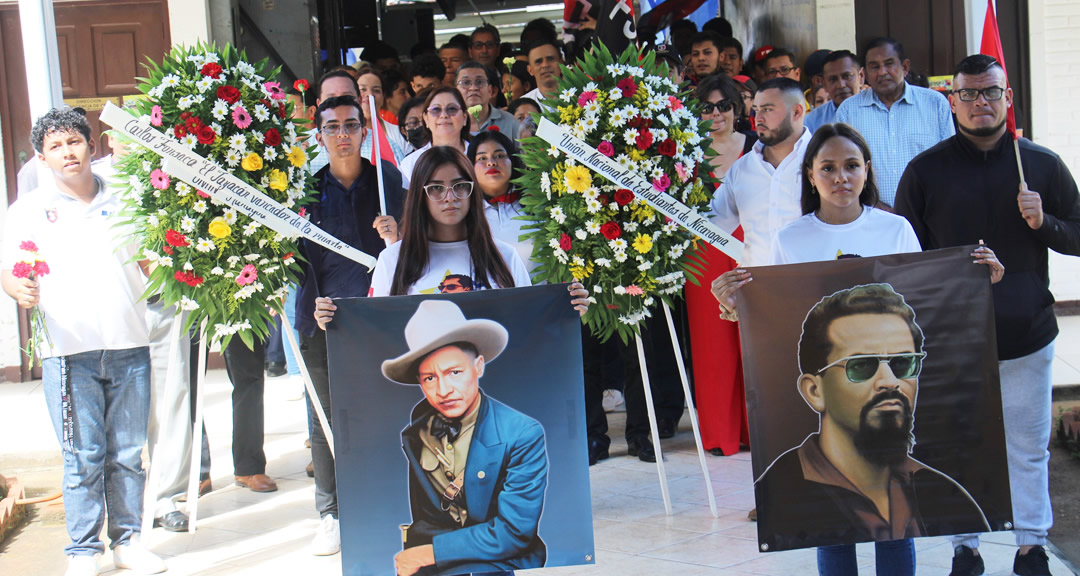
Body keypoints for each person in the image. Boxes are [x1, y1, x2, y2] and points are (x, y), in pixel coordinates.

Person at [714, 123, 1002, 571]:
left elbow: (926, 298)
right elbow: (778, 313)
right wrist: (735, 303)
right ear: (810, 175)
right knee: (831, 528)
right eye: (827, 167)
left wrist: (977, 276)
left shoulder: (896, 229)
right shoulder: (791, 238)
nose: (840, 177)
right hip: (841, 395)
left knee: (897, 528)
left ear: (867, 170)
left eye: (851, 166)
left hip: (880, 418)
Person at [895, 54, 1080, 576]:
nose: (981, 103)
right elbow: (907, 256)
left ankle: (1031, 546)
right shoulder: (926, 169)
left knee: (1027, 448)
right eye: (970, 94)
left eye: (990, 93)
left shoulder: (1040, 164)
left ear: (1008, 97)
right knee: (958, 446)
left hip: (1028, 333)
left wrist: (1045, 223)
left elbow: (1079, 234)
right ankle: (964, 548)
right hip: (951, 336)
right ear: (952, 100)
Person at [1, 108, 165, 576]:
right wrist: (19, 289)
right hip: (67, 351)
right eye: (55, 146)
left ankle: (128, 542)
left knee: (128, 452)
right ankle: (83, 550)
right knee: (82, 456)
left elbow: (151, 262)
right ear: (41, 157)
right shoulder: (28, 210)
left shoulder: (130, 198)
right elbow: (10, 271)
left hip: (129, 343)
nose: (67, 152)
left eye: (74, 141)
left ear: (92, 146)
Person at [298, 95, 405, 556]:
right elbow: (297, 262)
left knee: (389, 414)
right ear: (319, 135)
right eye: (332, 126)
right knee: (326, 421)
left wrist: (395, 238)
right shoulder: (305, 190)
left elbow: (414, 253)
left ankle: (389, 503)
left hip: (379, 320)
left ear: (365, 131)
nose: (342, 134)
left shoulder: (389, 182)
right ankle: (331, 513)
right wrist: (313, 302)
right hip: (323, 320)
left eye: (351, 125)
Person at [385, 300, 548, 575]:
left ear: (479, 367)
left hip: (499, 557)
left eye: (454, 372)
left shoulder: (522, 433)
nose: (443, 390)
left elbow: (514, 532)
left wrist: (430, 553)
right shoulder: (417, 430)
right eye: (429, 378)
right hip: (434, 557)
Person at [685, 75, 757, 457]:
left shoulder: (758, 149)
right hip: (702, 252)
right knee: (712, 345)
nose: (716, 114)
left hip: (750, 246)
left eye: (723, 106)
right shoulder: (686, 152)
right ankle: (720, 433)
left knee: (753, 338)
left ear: (737, 108)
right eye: (707, 107)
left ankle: (755, 427)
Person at [835, 37, 954, 206]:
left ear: (905, 67)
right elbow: (843, 169)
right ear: (865, 74)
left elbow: (949, 163)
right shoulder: (849, 111)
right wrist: (877, 206)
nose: (882, 72)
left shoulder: (935, 104)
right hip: (872, 216)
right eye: (874, 66)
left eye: (889, 64)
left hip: (929, 212)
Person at [709, 77, 810, 267]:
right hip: (757, 288)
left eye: (768, 109)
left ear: (797, 111)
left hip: (812, 288)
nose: (758, 118)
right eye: (756, 110)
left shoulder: (824, 161)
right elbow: (711, 224)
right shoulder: (742, 168)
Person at [466, 130, 534, 272]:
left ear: (513, 160)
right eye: (482, 158)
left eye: (500, 156)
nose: (491, 162)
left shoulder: (536, 204)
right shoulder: (464, 212)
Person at [398, 87, 471, 190]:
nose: (444, 115)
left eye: (452, 109)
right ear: (426, 119)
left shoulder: (480, 156)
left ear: (464, 117)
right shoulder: (411, 163)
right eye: (436, 110)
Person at [356, 67, 410, 163]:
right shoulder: (346, 137)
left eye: (376, 90)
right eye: (362, 89)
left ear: (383, 96)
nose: (369, 94)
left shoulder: (399, 134)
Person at [804, 50, 863, 133]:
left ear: (861, 77)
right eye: (832, 79)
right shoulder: (812, 121)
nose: (841, 85)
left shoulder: (880, 110)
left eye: (847, 76)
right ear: (824, 84)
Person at [456, 62, 520, 137]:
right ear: (455, 91)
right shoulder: (448, 122)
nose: (473, 88)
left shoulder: (510, 122)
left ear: (490, 91)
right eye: (466, 82)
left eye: (479, 82)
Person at [522, 38, 564, 109]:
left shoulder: (580, 97)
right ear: (530, 70)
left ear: (561, 63)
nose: (545, 65)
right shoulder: (523, 105)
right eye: (538, 61)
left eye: (550, 59)